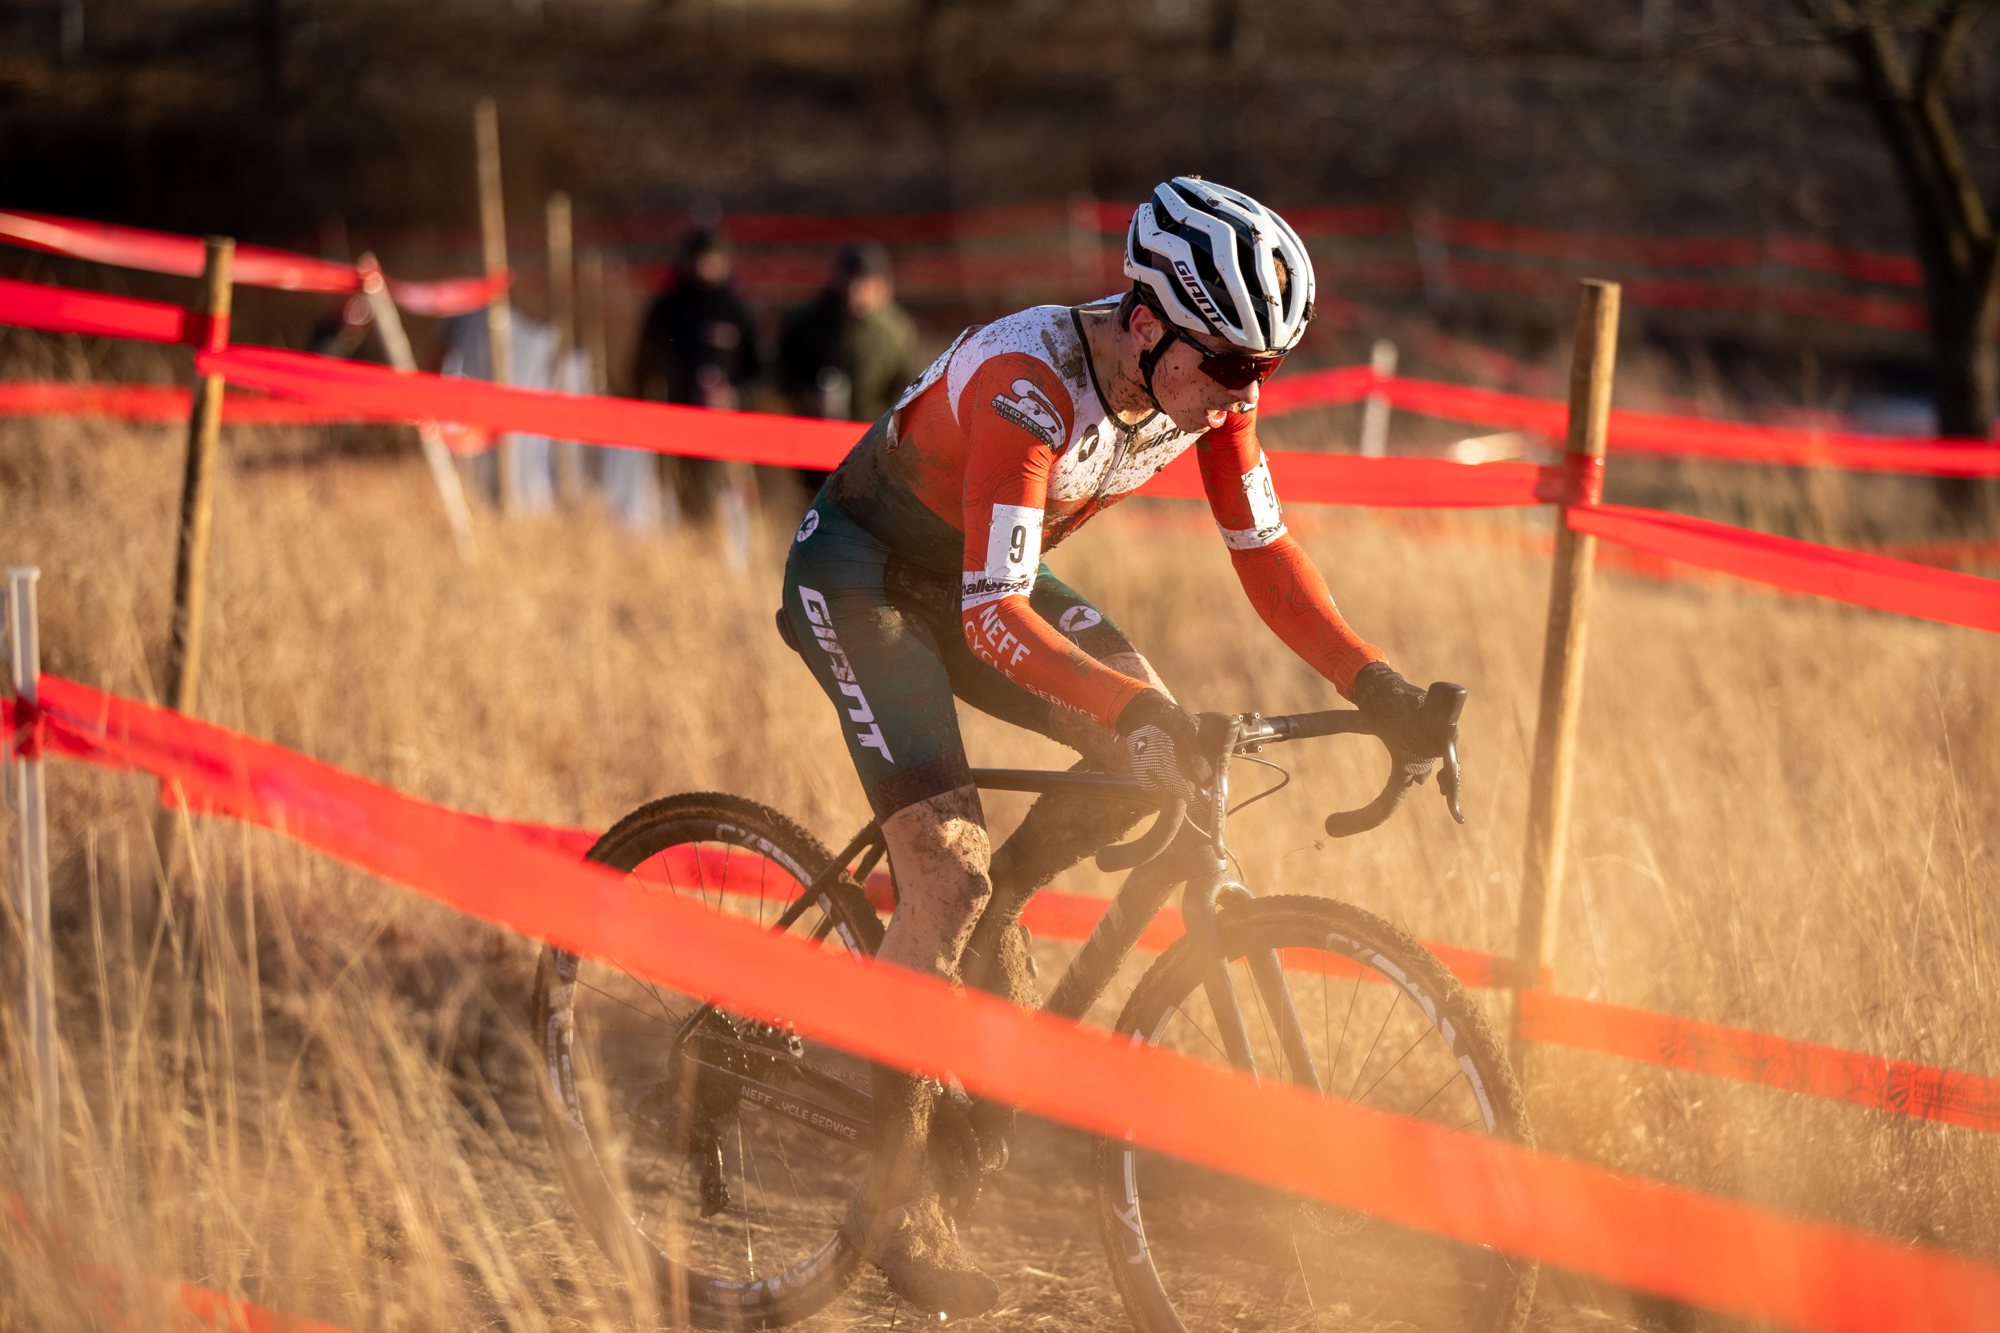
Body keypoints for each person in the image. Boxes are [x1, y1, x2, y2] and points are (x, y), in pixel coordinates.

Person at [777, 178, 1451, 1320]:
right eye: (1231, 367)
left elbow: (1265, 556)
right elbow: (995, 611)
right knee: (945, 864)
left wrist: (1373, 681)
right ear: (1147, 323)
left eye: (1265, 369)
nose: (1245, 393)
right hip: (865, 573)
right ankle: (892, 1203)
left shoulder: (1207, 381)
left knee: (1153, 737)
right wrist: (1129, 714)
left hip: (985, 577)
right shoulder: (1028, 384)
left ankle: (994, 929)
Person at [632, 228, 762, 534]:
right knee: (677, 502)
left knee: (730, 503)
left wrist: (736, 395)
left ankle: (730, 559)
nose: (706, 267)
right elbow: (643, 367)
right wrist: (653, 409)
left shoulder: (737, 310)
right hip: (675, 424)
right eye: (700, 260)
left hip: (728, 428)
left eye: (713, 260)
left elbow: (759, 371)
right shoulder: (666, 310)